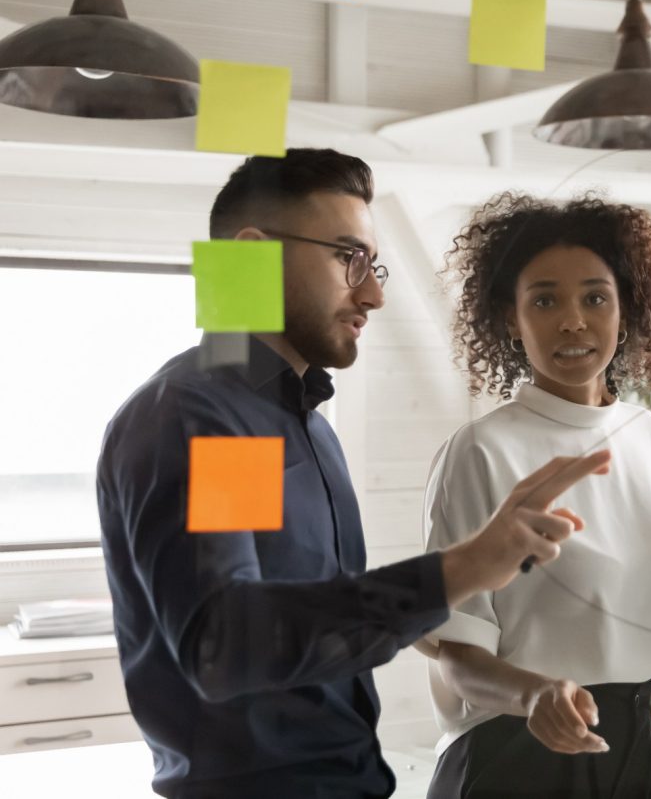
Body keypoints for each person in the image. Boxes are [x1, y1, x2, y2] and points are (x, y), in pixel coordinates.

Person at [96, 150, 608, 799]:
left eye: (374, 265)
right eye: (349, 258)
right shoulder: (212, 413)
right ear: (252, 256)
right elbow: (231, 643)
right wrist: (461, 570)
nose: (374, 293)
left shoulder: (296, 421)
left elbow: (300, 624)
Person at [421, 193, 651, 798]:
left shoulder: (649, 436)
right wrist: (536, 695)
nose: (573, 320)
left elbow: (650, 656)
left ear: (628, 307)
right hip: (514, 756)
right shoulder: (482, 450)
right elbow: (456, 654)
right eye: (544, 300)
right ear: (509, 317)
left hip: (633, 756)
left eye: (595, 297)